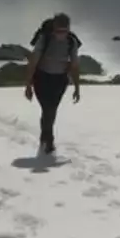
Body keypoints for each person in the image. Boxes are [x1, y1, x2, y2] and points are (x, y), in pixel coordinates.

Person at [24, 13, 81, 154]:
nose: (61, 35)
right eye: (58, 31)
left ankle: (45, 137)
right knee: (47, 108)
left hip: (60, 80)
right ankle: (48, 139)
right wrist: (28, 85)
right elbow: (33, 62)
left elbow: (74, 65)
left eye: (64, 31)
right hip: (42, 78)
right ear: (53, 28)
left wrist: (77, 88)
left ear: (68, 29)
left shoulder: (71, 42)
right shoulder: (44, 39)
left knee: (51, 109)